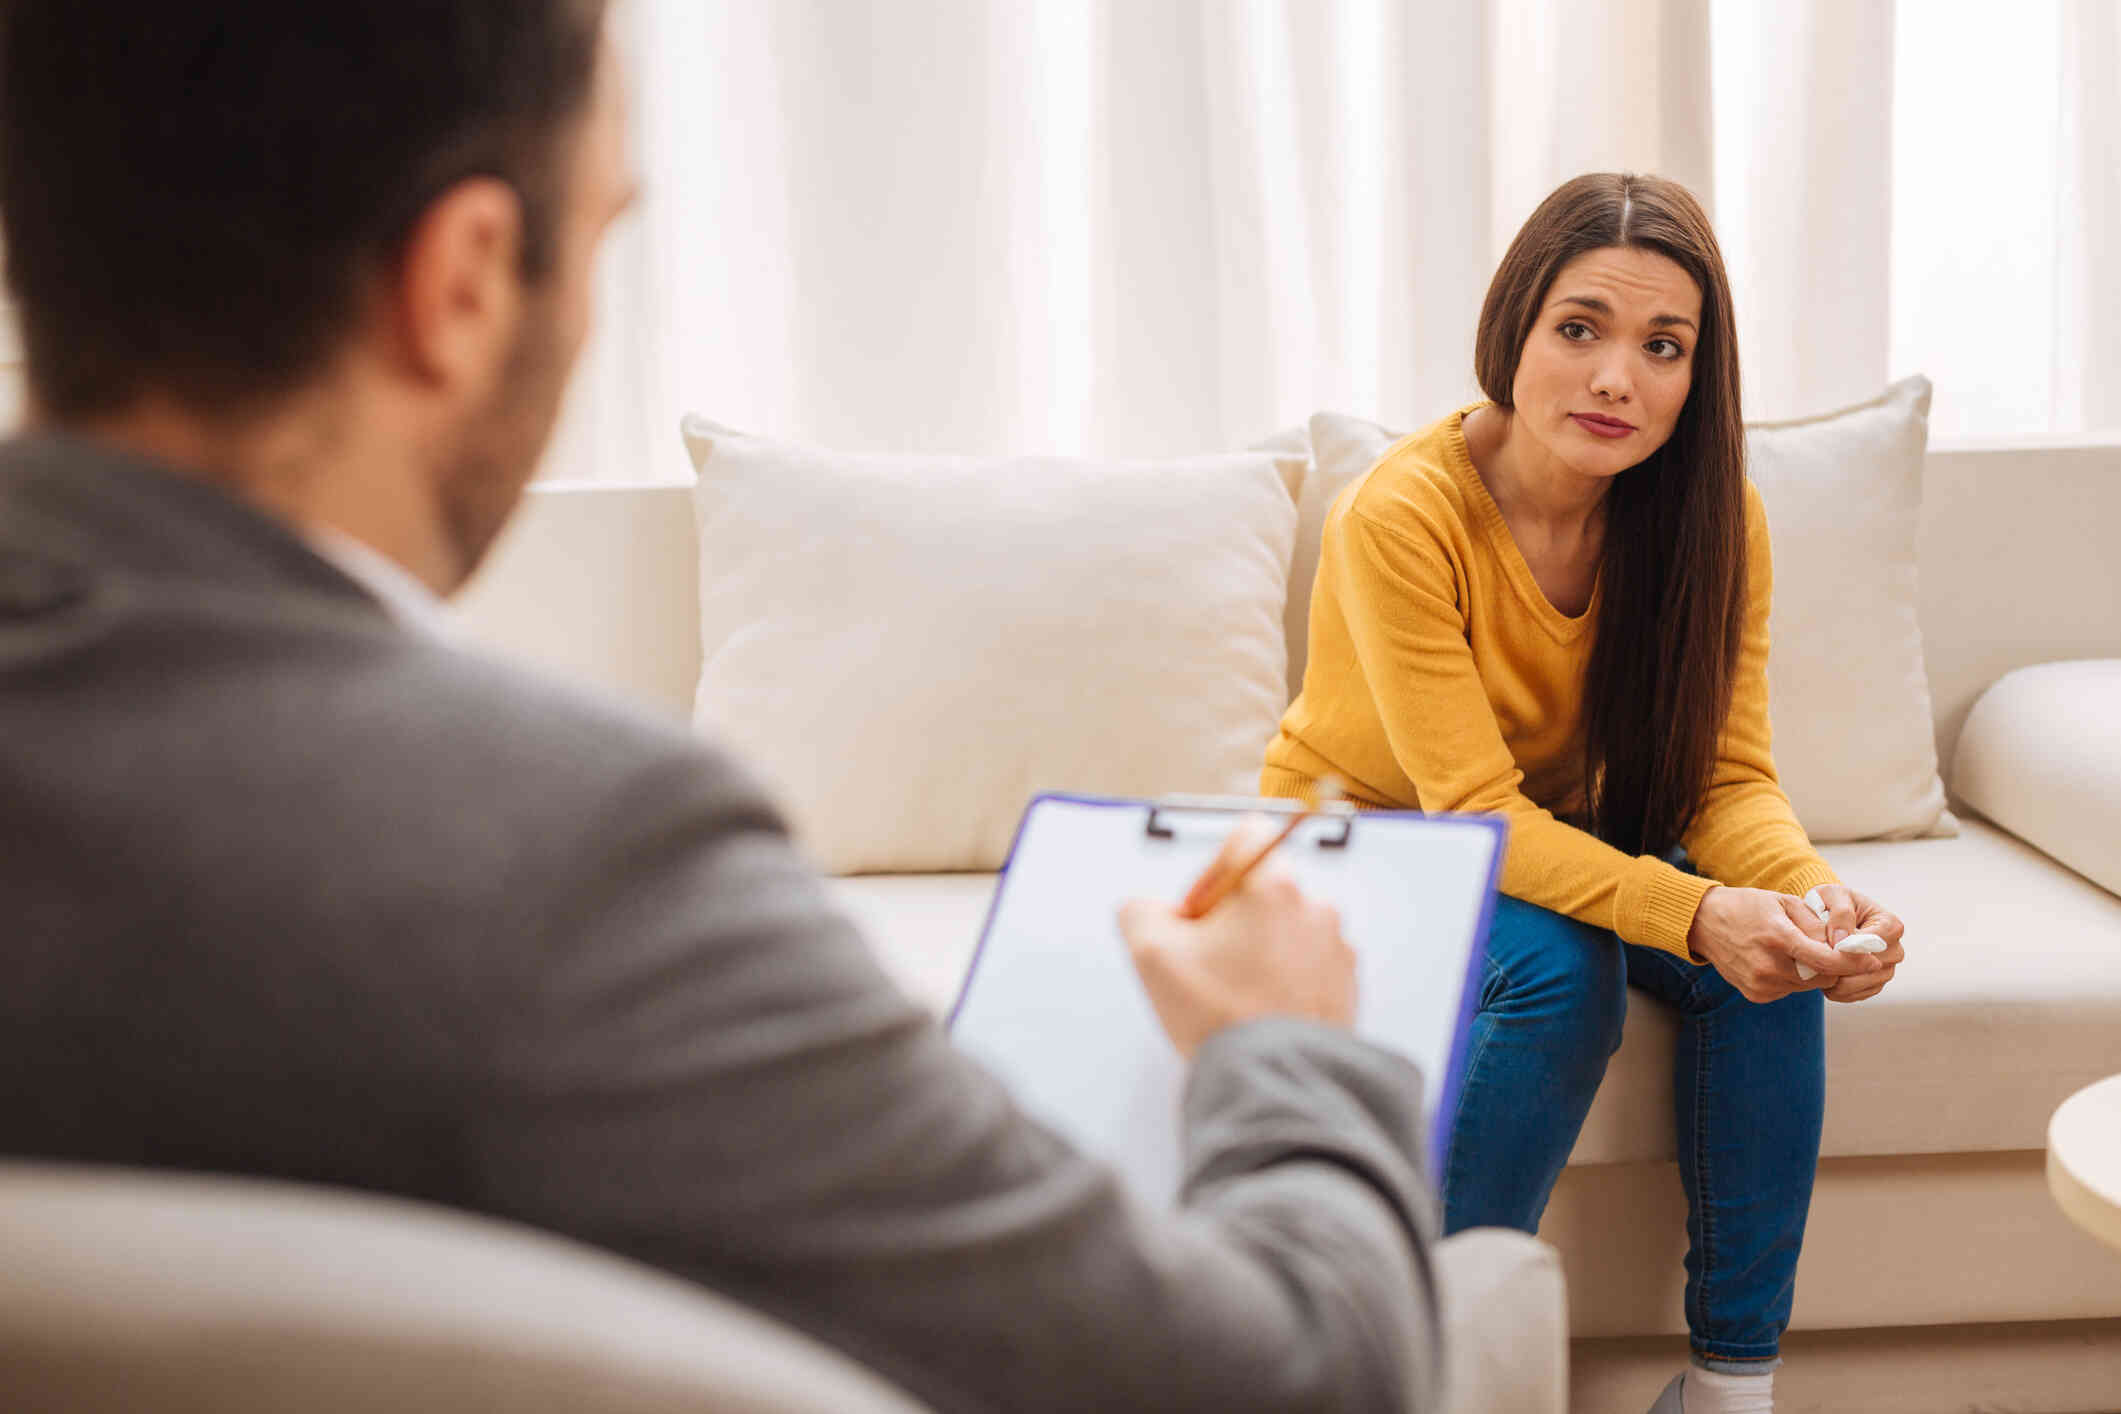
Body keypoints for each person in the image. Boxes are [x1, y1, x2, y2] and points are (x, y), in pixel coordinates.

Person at [0, 5, 1449, 1410]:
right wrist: (1288, 1047)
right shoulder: (572, 860)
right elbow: (1301, 1377)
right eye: (603, 238)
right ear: (463, 282)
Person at [1262, 172, 1910, 1414]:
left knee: (1767, 956)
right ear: (1514, 329)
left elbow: (1727, 781)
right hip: (1368, 839)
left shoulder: (1717, 519)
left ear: (1695, 376)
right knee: (1567, 976)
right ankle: (1423, 1371)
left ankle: (1731, 1390)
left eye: (1663, 347)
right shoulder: (1398, 515)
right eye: (1581, 328)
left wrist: (1812, 902)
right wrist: (1692, 911)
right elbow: (1474, 816)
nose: (1619, 376)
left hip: (1564, 836)